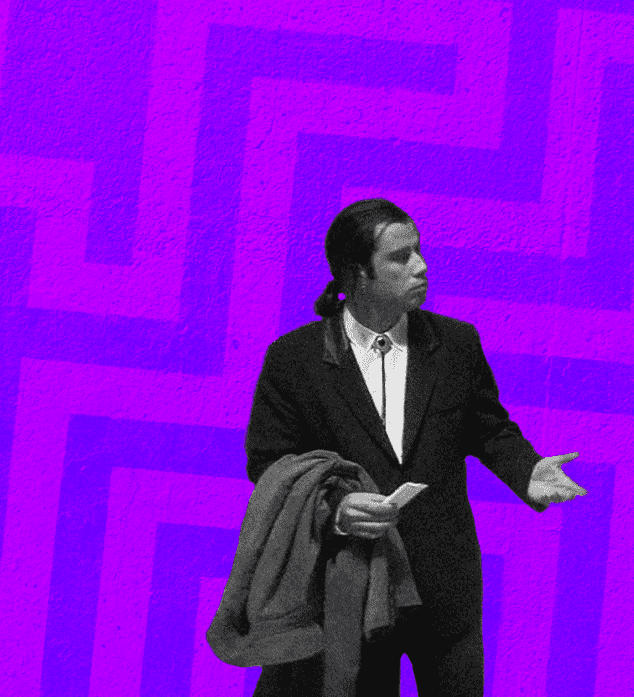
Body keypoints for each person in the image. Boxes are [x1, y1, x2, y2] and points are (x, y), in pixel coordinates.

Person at [245, 198, 586, 696]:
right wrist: (337, 509)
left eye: (419, 251)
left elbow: (489, 429)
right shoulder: (293, 359)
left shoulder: (456, 343)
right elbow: (271, 463)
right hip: (352, 583)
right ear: (357, 273)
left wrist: (527, 470)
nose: (421, 266)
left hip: (445, 585)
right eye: (400, 257)